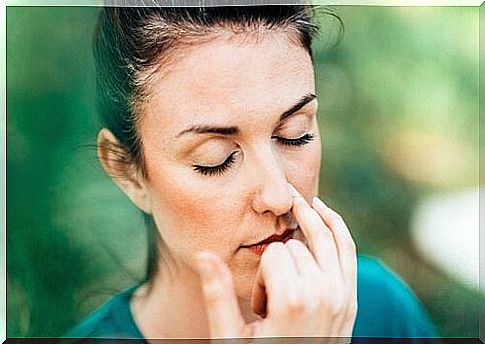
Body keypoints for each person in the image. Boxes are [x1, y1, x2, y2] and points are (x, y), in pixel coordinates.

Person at [66, 4, 438, 341]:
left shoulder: (379, 310)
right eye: (216, 158)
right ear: (128, 171)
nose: (278, 197)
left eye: (296, 134)